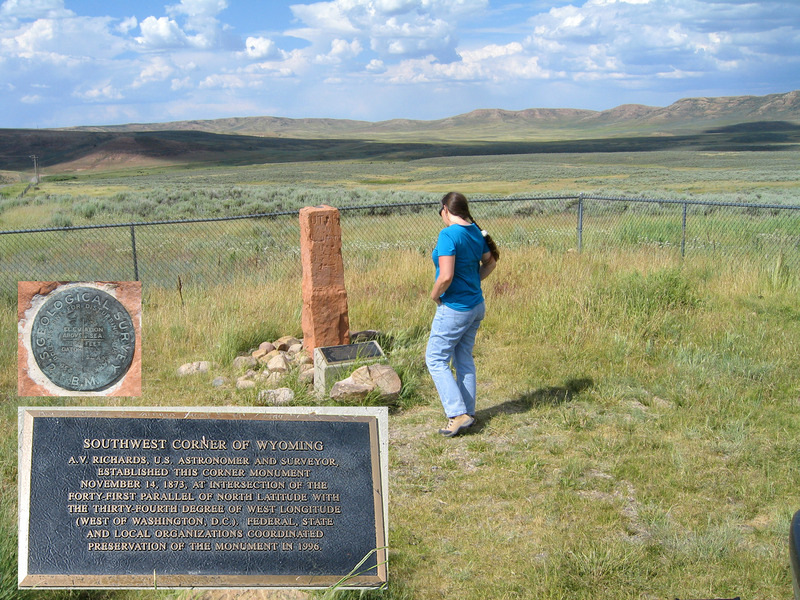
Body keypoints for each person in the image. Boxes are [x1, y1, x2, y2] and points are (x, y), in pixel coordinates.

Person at [425, 192, 499, 437]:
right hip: (476, 305)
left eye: (440, 212)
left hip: (455, 308)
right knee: (463, 358)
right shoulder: (476, 232)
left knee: (435, 359)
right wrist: (472, 283)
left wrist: (435, 296)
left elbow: (445, 276)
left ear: (446, 209)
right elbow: (490, 262)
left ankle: (457, 414)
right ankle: (468, 413)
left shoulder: (449, 235)